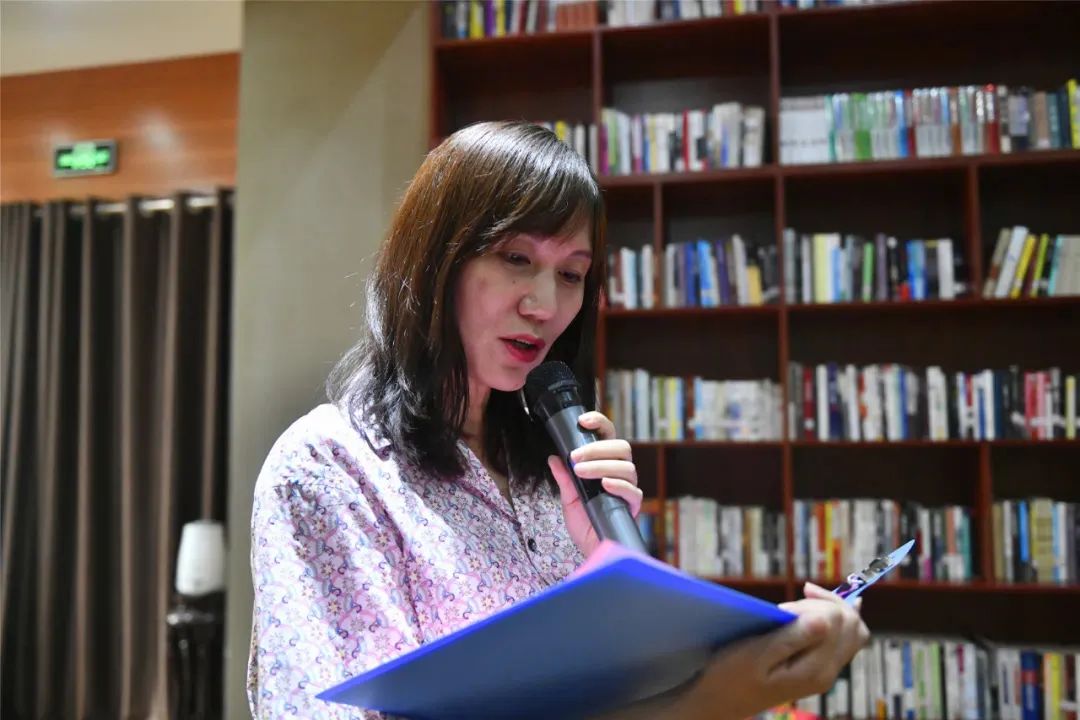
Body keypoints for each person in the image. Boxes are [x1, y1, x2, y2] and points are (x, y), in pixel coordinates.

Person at [247, 120, 869, 720]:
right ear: (435, 260)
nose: (545, 305)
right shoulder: (331, 466)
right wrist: (705, 703)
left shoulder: (551, 473)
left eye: (571, 274)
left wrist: (610, 566)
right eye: (516, 258)